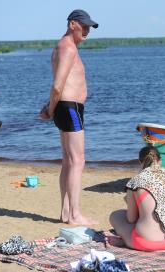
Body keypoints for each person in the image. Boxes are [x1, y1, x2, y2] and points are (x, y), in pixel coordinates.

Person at [39, 9, 99, 225]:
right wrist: (51, 109)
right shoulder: (68, 48)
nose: (87, 31)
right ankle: (74, 215)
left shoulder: (62, 46)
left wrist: (50, 108)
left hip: (66, 107)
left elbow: (58, 86)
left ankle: (66, 213)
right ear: (72, 24)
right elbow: (57, 86)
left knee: (68, 161)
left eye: (89, 27)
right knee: (78, 161)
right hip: (69, 107)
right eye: (83, 26)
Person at [109, 146, 165, 251]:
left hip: (147, 242)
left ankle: (125, 240)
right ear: (160, 161)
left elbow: (131, 219)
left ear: (140, 162)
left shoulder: (136, 181)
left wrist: (132, 204)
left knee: (115, 216)